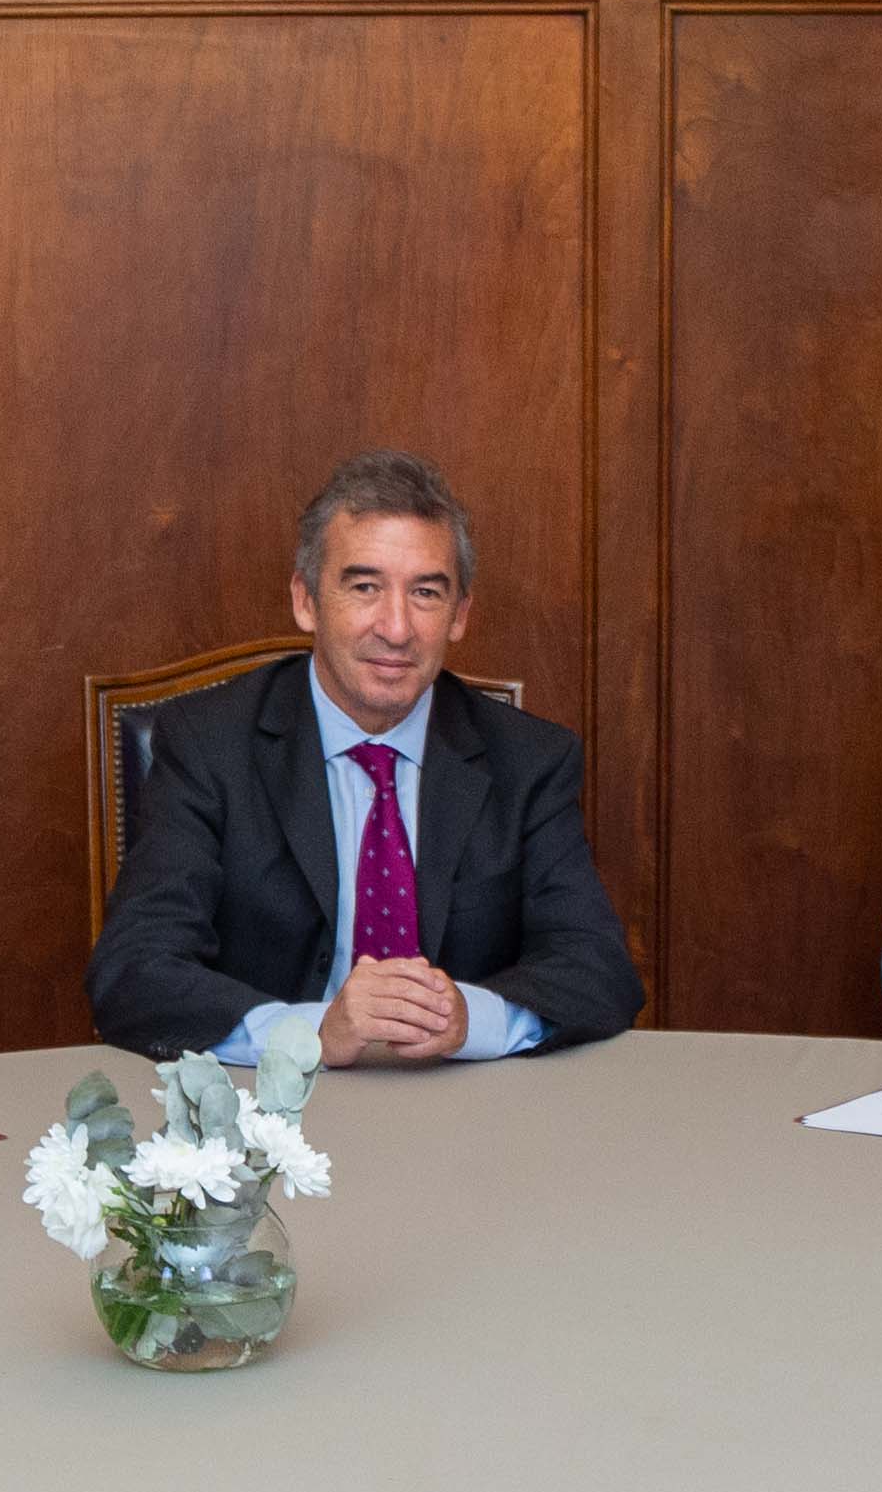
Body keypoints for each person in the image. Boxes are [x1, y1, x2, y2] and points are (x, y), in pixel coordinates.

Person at [87, 450, 644, 1067]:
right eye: (365, 587)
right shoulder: (208, 745)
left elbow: (597, 970)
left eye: (426, 593)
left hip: (468, 1116)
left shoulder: (529, 760)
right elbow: (134, 972)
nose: (397, 628)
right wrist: (311, 1034)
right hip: (269, 1118)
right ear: (306, 601)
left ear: (459, 616)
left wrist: (470, 1015)